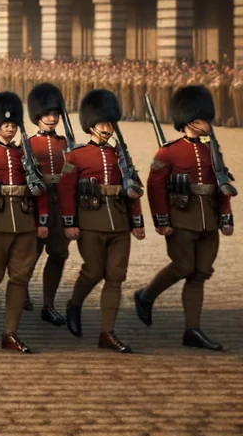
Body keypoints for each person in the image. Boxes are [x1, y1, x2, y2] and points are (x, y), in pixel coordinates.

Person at [136, 84, 231, 350]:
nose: (207, 124)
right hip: (182, 217)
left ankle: (192, 330)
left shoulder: (213, 149)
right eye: (202, 120)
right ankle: (145, 295)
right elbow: (155, 187)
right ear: (189, 121)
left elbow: (222, 183)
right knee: (183, 266)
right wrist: (162, 220)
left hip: (208, 219)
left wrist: (226, 216)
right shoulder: (169, 151)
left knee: (200, 273)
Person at [58, 88, 143, 352]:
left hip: (119, 221)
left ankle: (107, 332)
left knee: (116, 276)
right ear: (91, 125)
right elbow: (66, 190)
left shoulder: (120, 156)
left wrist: (137, 221)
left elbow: (133, 188)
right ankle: (74, 304)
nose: (106, 128)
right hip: (90, 220)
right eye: (101, 123)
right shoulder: (76, 156)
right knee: (93, 271)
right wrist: (71, 223)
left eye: (109, 123)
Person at [0, 91, 48, 352]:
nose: (10, 129)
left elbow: (38, 184)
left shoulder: (24, 153)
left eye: (13, 125)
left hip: (25, 220)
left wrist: (42, 220)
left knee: (20, 277)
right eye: (5, 125)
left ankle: (10, 333)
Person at [27, 83, 73, 326]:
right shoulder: (29, 145)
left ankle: (48, 303)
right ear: (37, 117)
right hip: (36, 202)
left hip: (61, 204)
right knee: (30, 254)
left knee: (58, 253)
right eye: (47, 114)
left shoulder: (65, 143)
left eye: (55, 114)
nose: (52, 118)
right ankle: (21, 289)